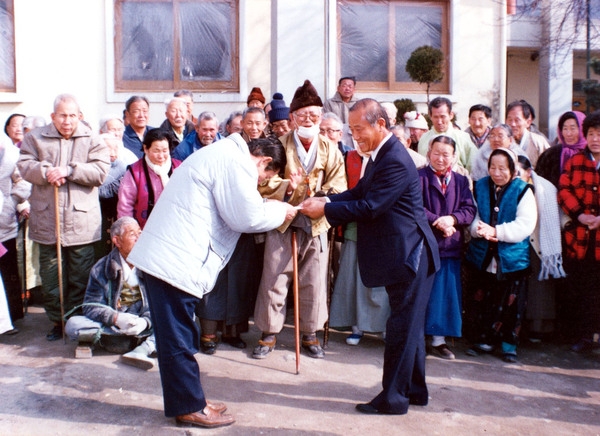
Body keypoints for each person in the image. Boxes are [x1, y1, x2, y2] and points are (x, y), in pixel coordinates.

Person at [127, 132, 297, 428]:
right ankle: (189, 407)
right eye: (265, 176)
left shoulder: (223, 154)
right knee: (178, 338)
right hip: (173, 262)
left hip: (172, 258)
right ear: (265, 161)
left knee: (179, 335)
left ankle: (191, 399)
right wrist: (282, 210)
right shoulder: (236, 162)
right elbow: (246, 217)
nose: (260, 182)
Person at [301, 98, 439, 415]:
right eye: (351, 130)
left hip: (412, 255)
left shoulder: (393, 159)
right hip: (404, 253)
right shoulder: (379, 154)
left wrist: (325, 209)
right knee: (410, 328)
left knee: (402, 330)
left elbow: (371, 207)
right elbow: (360, 192)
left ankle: (393, 400)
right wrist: (327, 198)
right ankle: (414, 391)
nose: (355, 136)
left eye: (359, 129)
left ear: (380, 124)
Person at [252, 80, 347, 361]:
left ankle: (309, 334)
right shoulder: (278, 145)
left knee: (314, 281)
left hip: (316, 222)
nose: (309, 119)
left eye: (314, 115)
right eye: (303, 114)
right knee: (274, 277)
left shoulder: (330, 148)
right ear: (292, 118)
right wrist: (289, 188)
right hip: (283, 219)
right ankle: (268, 334)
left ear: (321, 118)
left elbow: (339, 185)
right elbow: (263, 182)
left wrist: (321, 200)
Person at [18, 93, 110, 341]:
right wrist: (45, 171)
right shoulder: (35, 137)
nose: (67, 121)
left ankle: (77, 322)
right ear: (53, 116)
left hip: (81, 223)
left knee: (80, 278)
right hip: (47, 222)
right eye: (62, 115)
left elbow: (101, 172)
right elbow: (24, 164)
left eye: (72, 115)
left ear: (79, 116)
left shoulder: (93, 139)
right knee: (51, 278)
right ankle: (58, 322)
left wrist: (69, 171)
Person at [464, 148, 537, 363]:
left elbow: (525, 224)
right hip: (483, 255)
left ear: (513, 169)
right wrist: (479, 229)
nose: (496, 172)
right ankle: (482, 340)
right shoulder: (480, 186)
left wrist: (497, 232)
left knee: (511, 303)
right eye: (493, 167)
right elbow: (471, 214)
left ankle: (509, 345)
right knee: (482, 299)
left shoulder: (523, 190)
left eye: (502, 168)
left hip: (512, 258)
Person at [64, 217, 156, 369]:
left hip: (144, 324)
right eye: (132, 234)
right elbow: (90, 305)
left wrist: (145, 321)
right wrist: (115, 318)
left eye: (140, 233)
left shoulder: (151, 264)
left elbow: (160, 303)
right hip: (113, 325)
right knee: (73, 324)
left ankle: (143, 349)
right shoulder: (102, 268)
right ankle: (143, 344)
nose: (139, 238)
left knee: (183, 317)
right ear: (117, 241)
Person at [329, 129, 390, 346]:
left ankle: (382, 326)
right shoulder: (348, 157)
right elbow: (348, 191)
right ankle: (356, 326)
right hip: (354, 225)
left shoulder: (386, 159)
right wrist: (328, 203)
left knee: (380, 282)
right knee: (352, 278)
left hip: (380, 227)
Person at [419, 135, 476, 360]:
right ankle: (419, 337)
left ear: (454, 157)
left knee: (445, 294)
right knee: (424, 292)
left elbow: (469, 209)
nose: (440, 158)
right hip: (425, 243)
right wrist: (436, 220)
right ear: (428, 153)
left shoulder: (461, 181)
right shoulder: (418, 177)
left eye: (446, 154)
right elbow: (413, 206)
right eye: (436, 153)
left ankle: (439, 341)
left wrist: (451, 219)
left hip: (450, 244)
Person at [557, 110, 600, 353]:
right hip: (581, 237)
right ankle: (584, 336)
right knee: (582, 289)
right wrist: (580, 215)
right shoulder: (574, 162)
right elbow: (563, 191)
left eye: (599, 134)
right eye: (591, 134)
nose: (595, 139)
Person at [516, 155, 565, 339]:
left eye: (518, 172)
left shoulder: (545, 187)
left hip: (539, 239)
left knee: (539, 285)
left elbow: (557, 214)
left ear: (529, 172)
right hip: (517, 238)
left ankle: (538, 328)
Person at [118, 128, 181, 229]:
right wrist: (129, 230)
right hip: (144, 229)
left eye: (165, 151)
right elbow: (125, 206)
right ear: (146, 148)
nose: (161, 156)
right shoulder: (134, 172)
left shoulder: (179, 167)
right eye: (156, 151)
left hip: (175, 226)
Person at [0, 137, 31, 327]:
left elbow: (23, 183)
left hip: (4, 224)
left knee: (7, 270)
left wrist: (11, 203)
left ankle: (12, 316)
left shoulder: (11, 155)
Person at [417, 97, 477, 172]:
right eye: (435, 117)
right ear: (430, 116)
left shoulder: (463, 137)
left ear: (451, 115)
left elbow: (473, 166)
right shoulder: (424, 138)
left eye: (443, 116)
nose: (439, 121)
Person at [536, 110, 586, 188]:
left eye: (572, 129)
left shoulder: (591, 154)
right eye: (565, 129)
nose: (568, 133)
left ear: (583, 130)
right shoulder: (550, 155)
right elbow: (539, 182)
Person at [505, 100, 550, 168]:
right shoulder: (502, 141)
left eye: (517, 120)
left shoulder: (538, 142)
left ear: (528, 122)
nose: (513, 124)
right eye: (510, 120)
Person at [324, 76, 358, 146]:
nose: (347, 88)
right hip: (334, 135)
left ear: (354, 89)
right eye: (344, 86)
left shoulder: (358, 103)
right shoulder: (329, 103)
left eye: (350, 86)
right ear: (338, 88)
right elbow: (326, 120)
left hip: (354, 136)